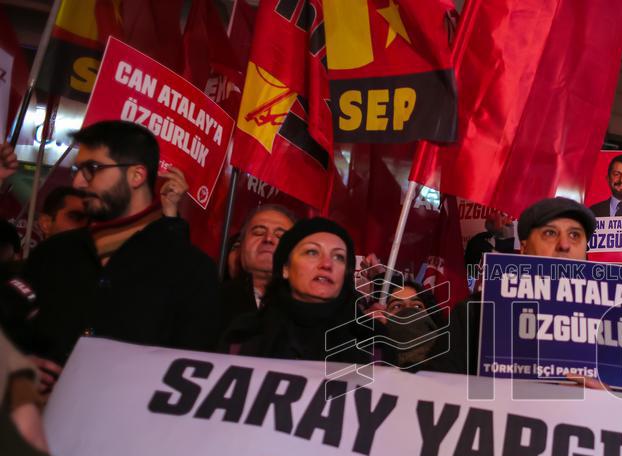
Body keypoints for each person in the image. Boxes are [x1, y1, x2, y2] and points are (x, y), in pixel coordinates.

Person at [14, 120, 220, 377]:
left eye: (92, 169)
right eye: (78, 169)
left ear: (136, 175)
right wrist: (17, 370)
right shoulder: (53, 253)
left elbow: (192, 373)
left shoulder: (190, 270)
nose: (78, 182)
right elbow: (10, 324)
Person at [425, 196, 595, 375]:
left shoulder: (611, 318)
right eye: (550, 233)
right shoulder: (476, 312)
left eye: (575, 235)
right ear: (523, 247)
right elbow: (437, 389)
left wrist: (606, 396)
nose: (564, 245)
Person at [222, 216, 368, 363]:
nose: (327, 264)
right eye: (312, 252)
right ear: (285, 268)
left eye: (338, 257)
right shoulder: (243, 335)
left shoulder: (372, 342)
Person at [219, 205, 295, 331]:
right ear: (241, 246)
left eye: (280, 236)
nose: (269, 239)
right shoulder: (209, 300)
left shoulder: (309, 311)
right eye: (258, 232)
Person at [464, 211, 516, 277]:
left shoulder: (504, 240)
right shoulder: (478, 241)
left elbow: (509, 263)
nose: (506, 222)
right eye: (502, 222)